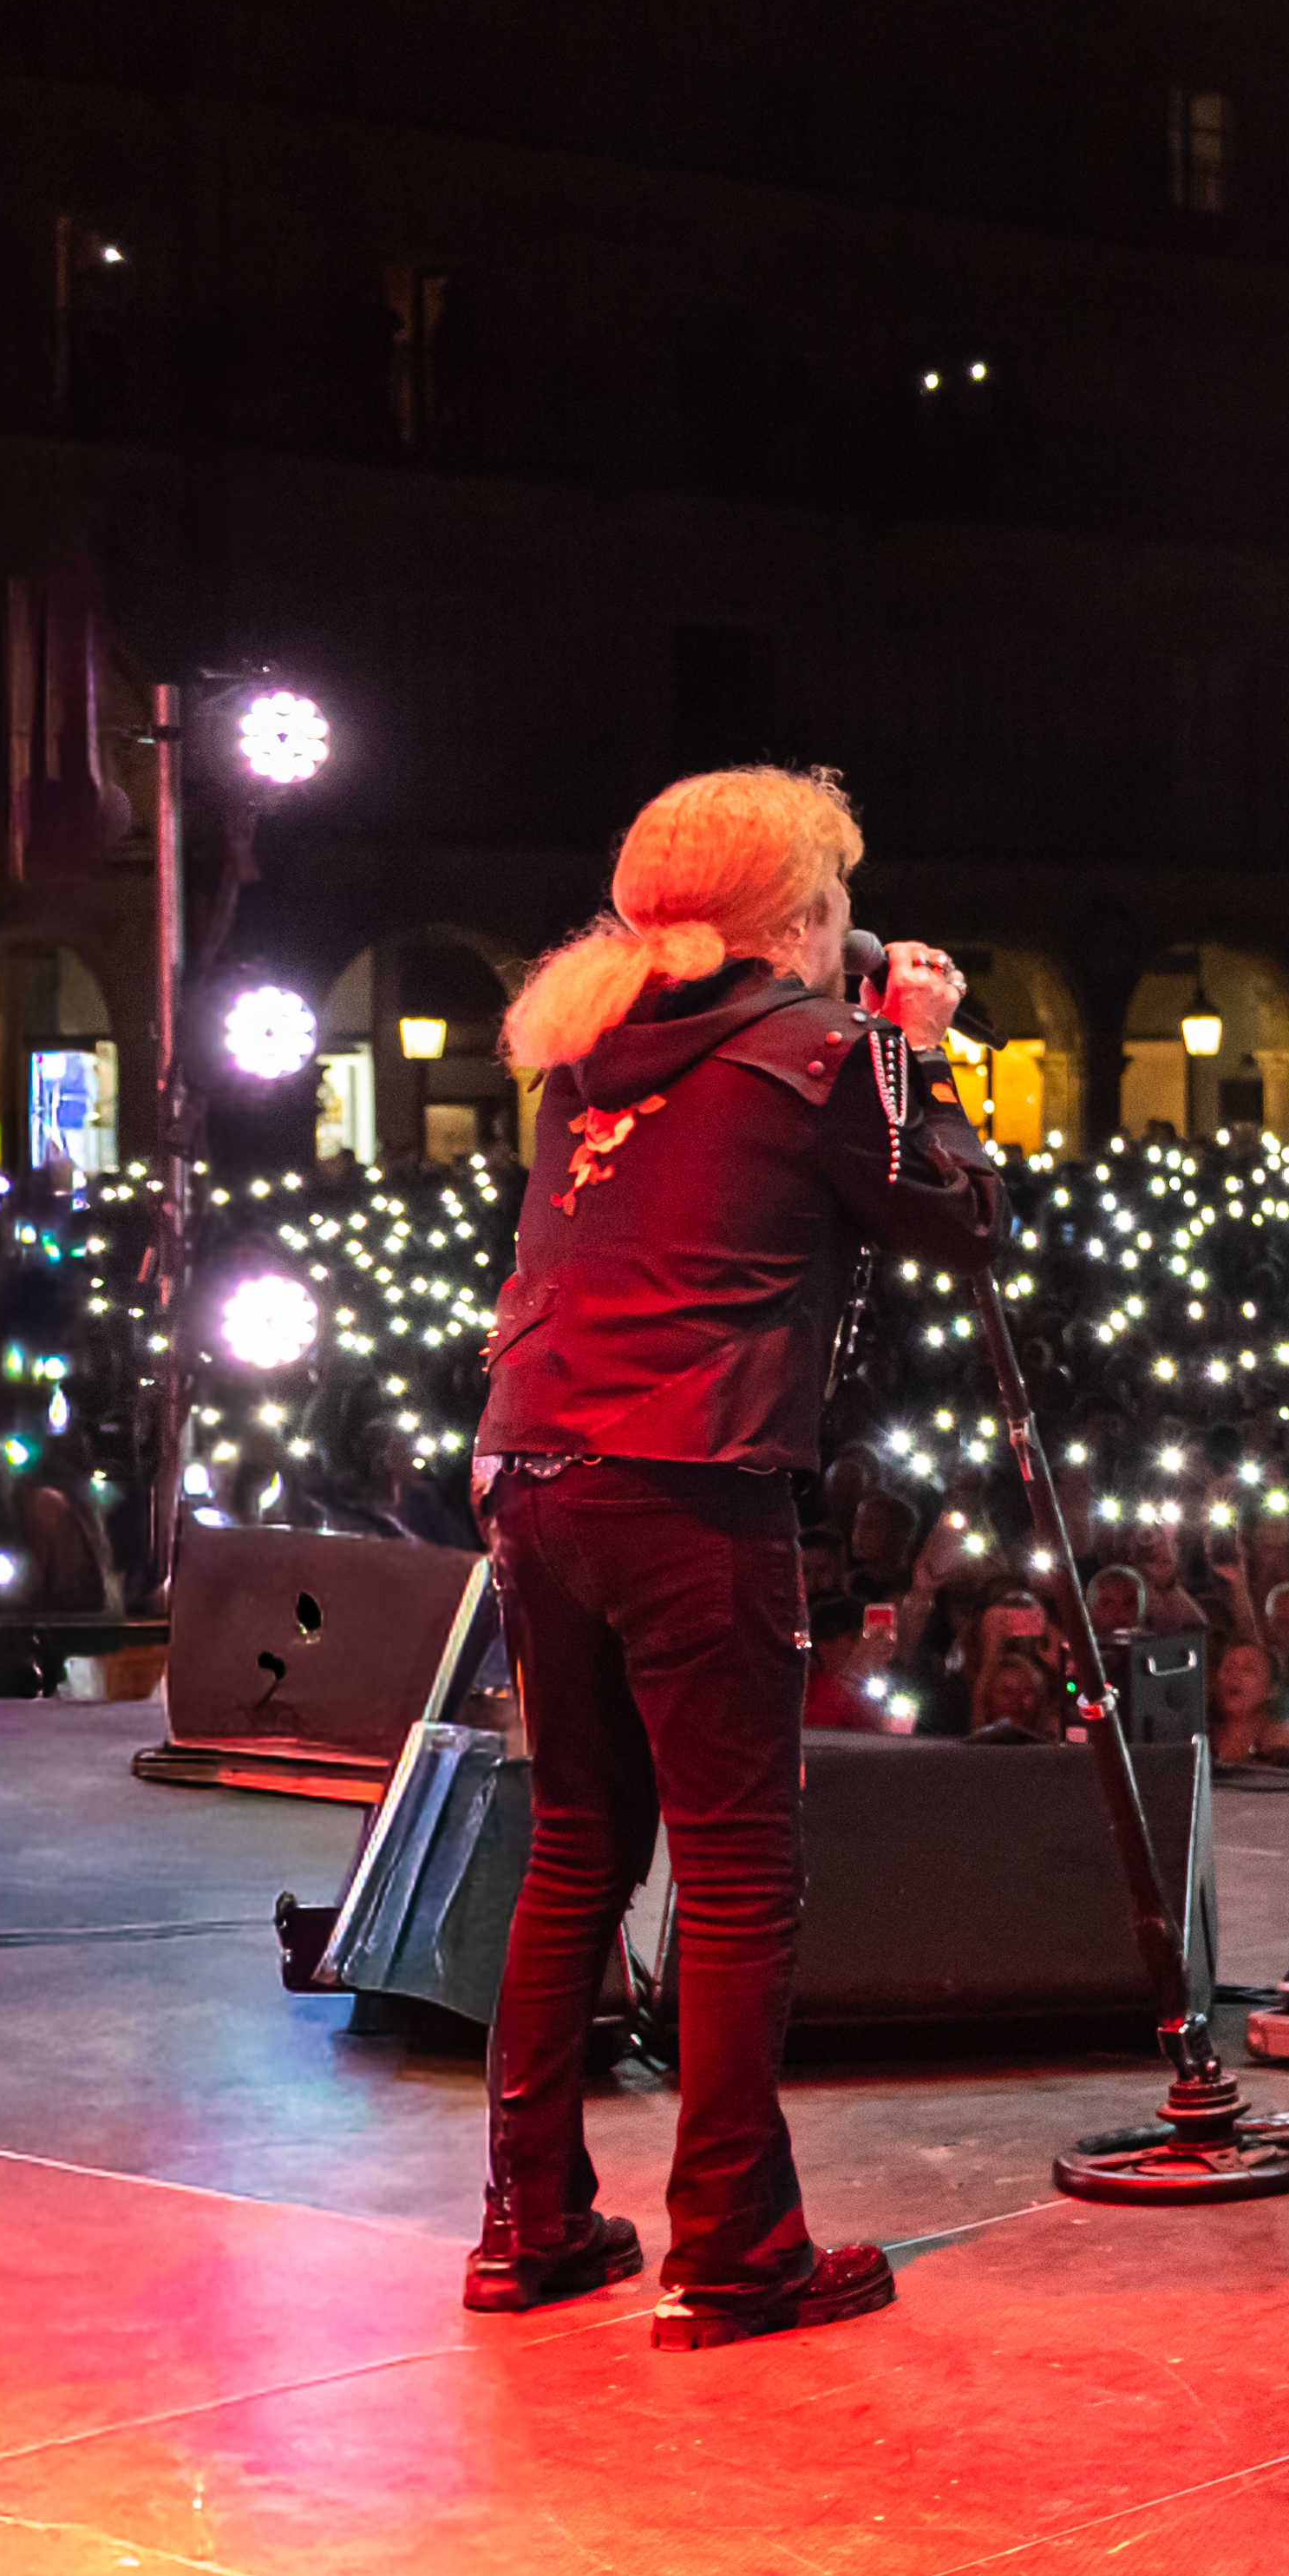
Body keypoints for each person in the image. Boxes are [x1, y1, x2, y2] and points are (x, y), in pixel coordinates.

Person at [468, 766, 991, 2346]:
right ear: (800, 919)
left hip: (536, 1472)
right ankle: (736, 2243)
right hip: (689, 1483)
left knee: (577, 1846)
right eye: (834, 903)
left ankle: (534, 2223)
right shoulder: (826, 1053)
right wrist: (921, 1049)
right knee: (741, 1858)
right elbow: (962, 1216)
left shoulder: (585, 1058)